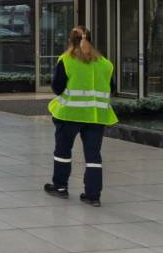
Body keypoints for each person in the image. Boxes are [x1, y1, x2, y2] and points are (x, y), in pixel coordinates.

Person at [44, 26, 117, 206]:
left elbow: (57, 88)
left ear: (70, 41)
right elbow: (112, 88)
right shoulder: (105, 63)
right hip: (95, 117)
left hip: (69, 115)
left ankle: (60, 187)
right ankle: (93, 195)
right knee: (93, 156)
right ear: (91, 40)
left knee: (63, 152)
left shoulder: (66, 60)